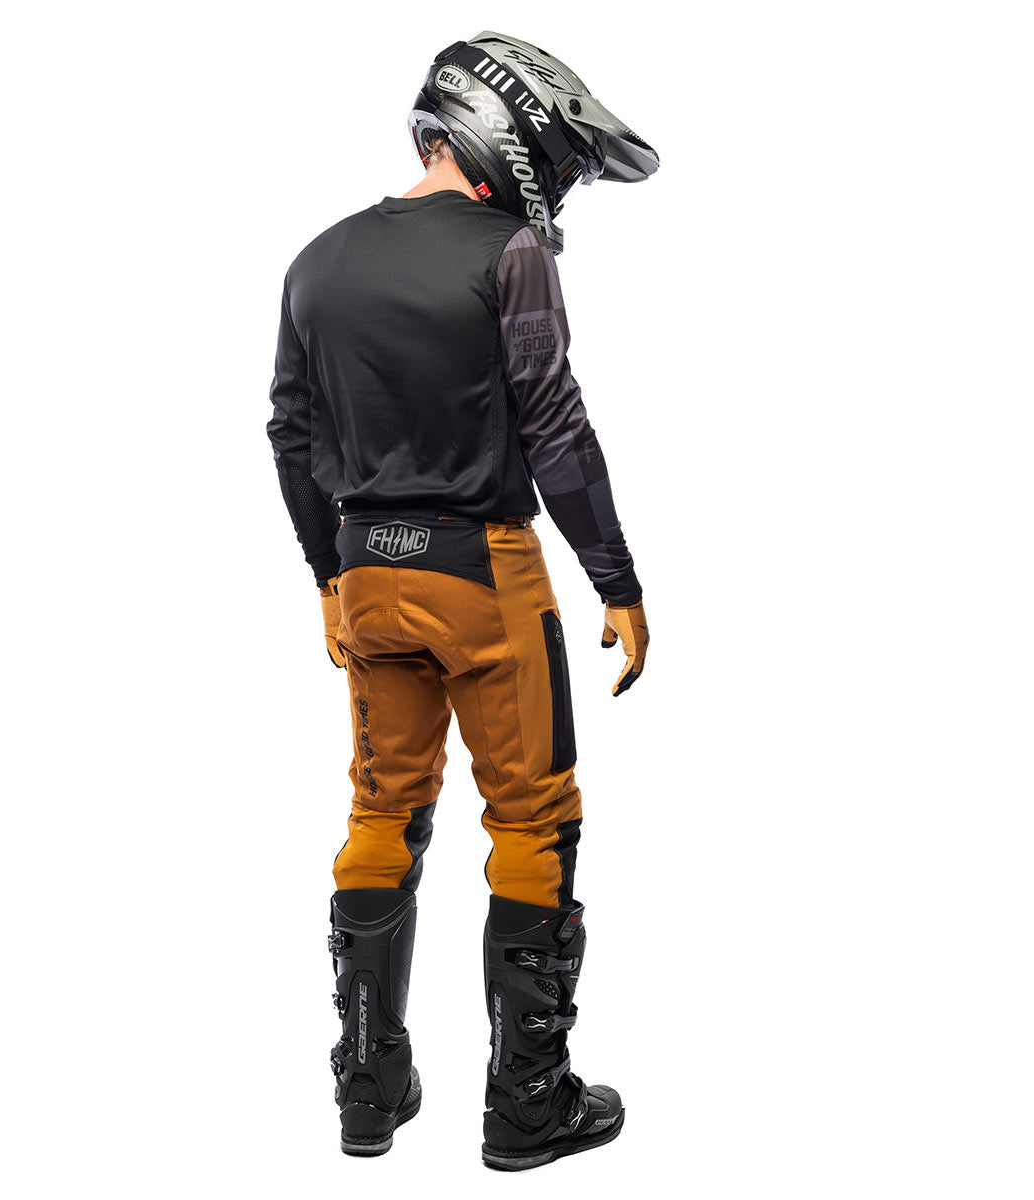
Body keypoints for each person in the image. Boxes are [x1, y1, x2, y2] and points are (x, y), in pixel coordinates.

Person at [267, 31, 658, 1170]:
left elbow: (290, 435)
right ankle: (528, 1104)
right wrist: (618, 579)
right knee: (533, 820)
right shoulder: (511, 253)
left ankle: (367, 1090)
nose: (561, 191)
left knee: (381, 812)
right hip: (483, 575)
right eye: (563, 165)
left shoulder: (316, 260)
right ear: (510, 131)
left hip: (366, 573)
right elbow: (554, 423)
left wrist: (329, 574)